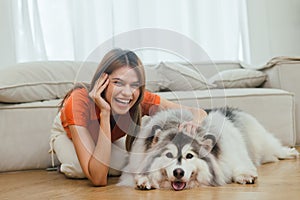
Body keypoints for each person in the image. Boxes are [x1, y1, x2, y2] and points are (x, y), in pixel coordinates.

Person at [49, 48, 207, 186]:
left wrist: (194, 122)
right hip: (68, 134)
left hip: (106, 137)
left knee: (124, 165)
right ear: (102, 81)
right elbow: (98, 180)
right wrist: (105, 112)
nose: (127, 93)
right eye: (118, 82)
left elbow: (198, 112)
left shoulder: (138, 99)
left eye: (134, 85)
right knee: (80, 169)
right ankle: (64, 163)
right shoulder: (78, 101)